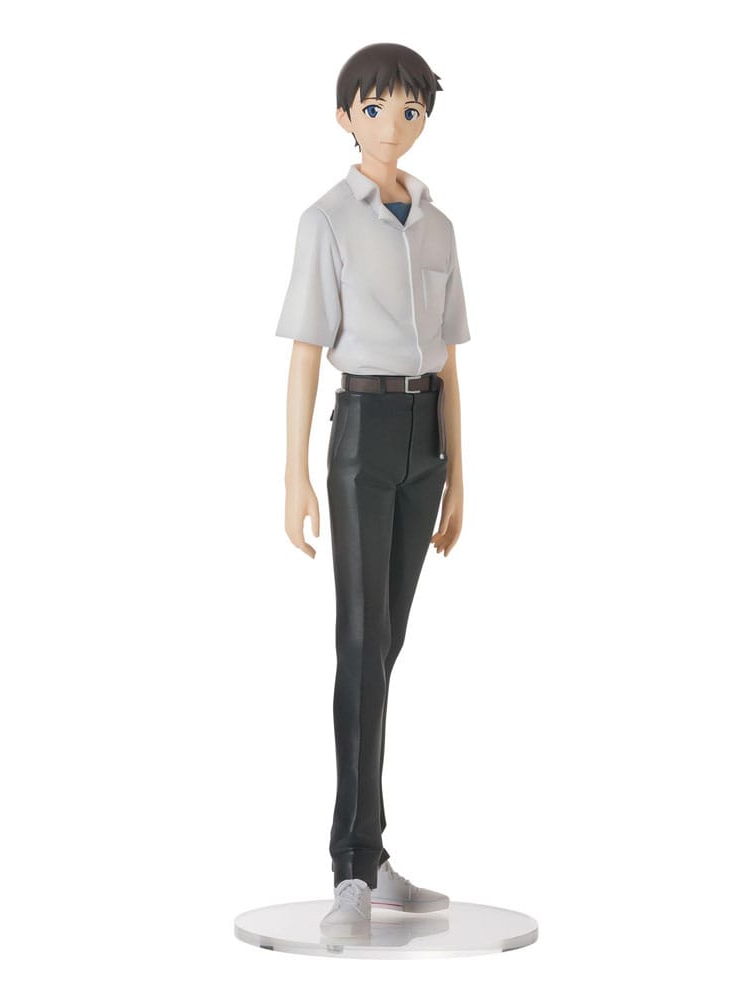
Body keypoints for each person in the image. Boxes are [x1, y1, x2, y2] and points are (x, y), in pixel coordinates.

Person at [275, 42, 471, 937]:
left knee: (385, 645)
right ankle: (351, 867)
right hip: (361, 431)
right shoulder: (325, 221)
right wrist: (294, 475)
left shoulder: (438, 226)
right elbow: (305, 350)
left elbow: (450, 358)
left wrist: (460, 473)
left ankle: (374, 855)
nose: (394, 124)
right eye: (376, 107)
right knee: (360, 643)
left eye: (410, 109)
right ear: (346, 115)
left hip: (425, 441)